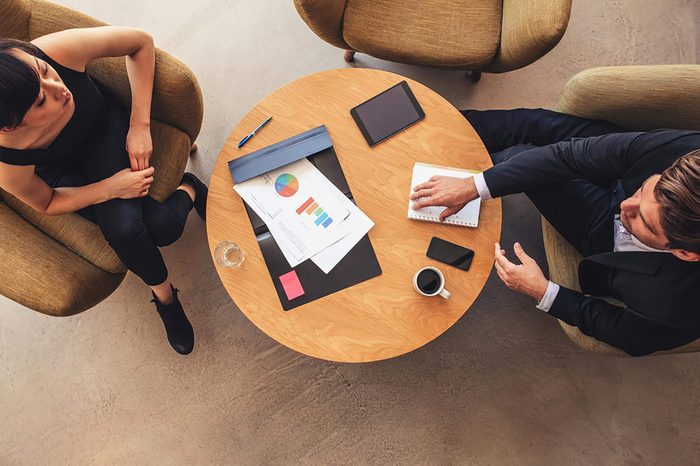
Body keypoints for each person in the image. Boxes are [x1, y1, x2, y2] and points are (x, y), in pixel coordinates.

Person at [410, 109, 700, 356]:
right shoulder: (686, 156)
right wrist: (473, 187)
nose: (626, 206)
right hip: (622, 165)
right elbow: (568, 156)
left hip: (605, 240)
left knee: (518, 155)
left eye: (644, 222)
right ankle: (430, 128)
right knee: (533, 125)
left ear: (685, 253)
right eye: (642, 190)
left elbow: (626, 334)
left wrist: (543, 291)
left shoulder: (682, 307)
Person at [0, 28, 208, 355]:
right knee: (158, 227)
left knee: (149, 229)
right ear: (10, 126)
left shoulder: (54, 51)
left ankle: (190, 189)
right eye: (42, 101)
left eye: (44, 72)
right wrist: (110, 188)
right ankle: (166, 297)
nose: (59, 88)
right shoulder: (6, 161)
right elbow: (48, 201)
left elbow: (140, 42)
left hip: (102, 131)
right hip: (63, 174)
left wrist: (139, 126)